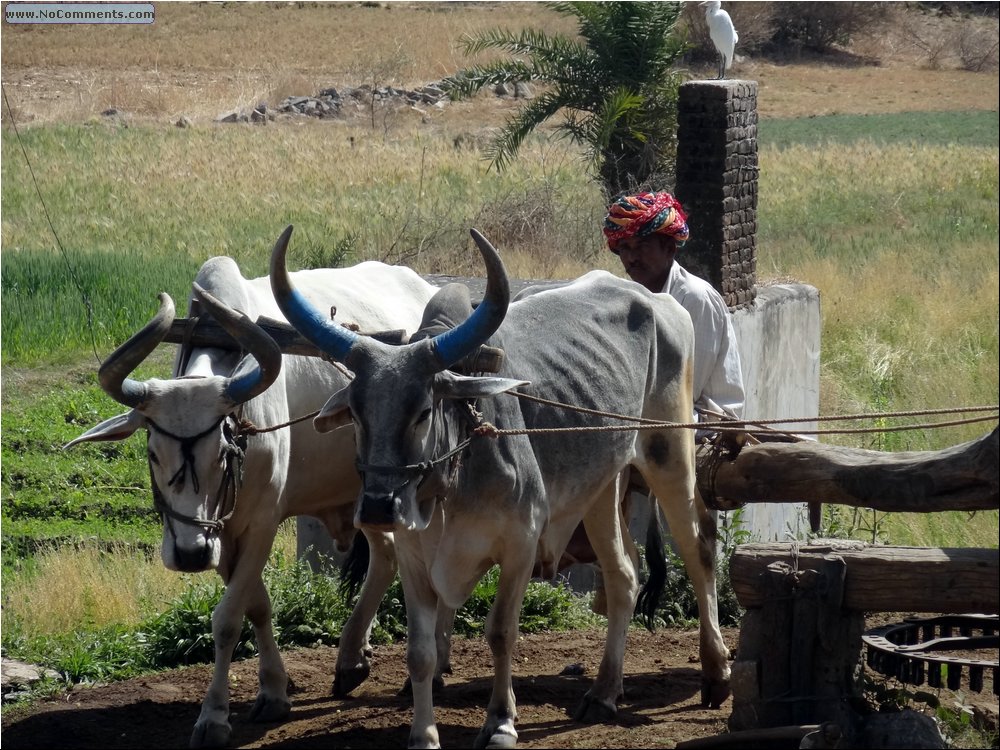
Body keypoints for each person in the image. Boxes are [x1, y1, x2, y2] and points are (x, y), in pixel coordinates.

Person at [603, 191, 745, 430]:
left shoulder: (694, 299)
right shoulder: (630, 297)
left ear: (669, 248)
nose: (631, 258)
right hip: (653, 422)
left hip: (705, 430)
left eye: (641, 246)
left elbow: (683, 393)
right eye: (624, 248)